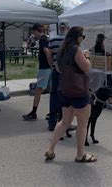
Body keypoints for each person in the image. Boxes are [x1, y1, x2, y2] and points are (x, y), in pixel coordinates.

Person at [44, 26, 96, 163]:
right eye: (82, 36)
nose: (83, 39)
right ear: (78, 37)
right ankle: (80, 154)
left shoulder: (61, 49)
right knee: (82, 124)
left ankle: (51, 149)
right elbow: (86, 67)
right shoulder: (76, 49)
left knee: (64, 121)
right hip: (79, 90)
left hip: (64, 89)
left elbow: (58, 68)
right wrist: (87, 56)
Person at [22, 24, 53, 121]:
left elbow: (47, 52)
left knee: (38, 90)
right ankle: (53, 112)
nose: (33, 34)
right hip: (49, 68)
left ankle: (34, 112)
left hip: (44, 68)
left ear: (36, 30)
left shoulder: (43, 39)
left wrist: (50, 65)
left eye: (33, 32)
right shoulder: (47, 38)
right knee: (52, 90)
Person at [48, 22, 68, 131]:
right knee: (65, 96)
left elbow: (48, 54)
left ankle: (52, 122)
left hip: (55, 70)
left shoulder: (53, 40)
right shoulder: (68, 42)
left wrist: (52, 65)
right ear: (66, 29)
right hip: (66, 72)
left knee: (54, 95)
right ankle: (64, 122)